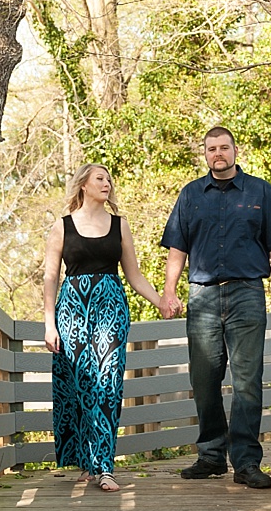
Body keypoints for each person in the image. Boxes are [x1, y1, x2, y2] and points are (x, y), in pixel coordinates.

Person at [163, 125, 271, 489]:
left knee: (248, 381)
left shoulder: (259, 191)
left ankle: (246, 462)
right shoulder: (191, 195)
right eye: (211, 149)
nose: (217, 154)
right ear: (205, 155)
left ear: (235, 151)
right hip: (202, 296)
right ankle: (211, 455)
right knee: (204, 380)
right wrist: (168, 291)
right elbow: (178, 248)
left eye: (223, 148)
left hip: (247, 293)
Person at [42, 164, 176, 492]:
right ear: (83, 185)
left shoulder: (120, 225)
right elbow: (50, 277)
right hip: (71, 310)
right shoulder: (62, 227)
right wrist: (49, 323)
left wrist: (161, 300)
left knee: (108, 382)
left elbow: (134, 275)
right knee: (78, 384)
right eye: (100, 178)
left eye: (108, 179)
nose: (107, 183)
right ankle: (86, 462)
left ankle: (104, 467)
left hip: (110, 308)